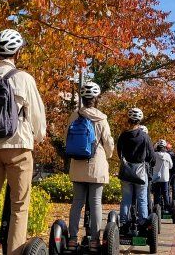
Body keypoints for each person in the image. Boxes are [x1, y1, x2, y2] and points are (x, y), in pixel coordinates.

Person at [0, 29, 47, 255]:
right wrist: (39, 137)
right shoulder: (24, 78)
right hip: (18, 146)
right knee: (19, 206)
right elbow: (37, 114)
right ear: (17, 52)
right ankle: (14, 252)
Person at [66, 82, 115, 250]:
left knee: (77, 202)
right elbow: (108, 142)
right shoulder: (102, 118)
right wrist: (107, 156)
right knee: (95, 203)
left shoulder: (75, 115)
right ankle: (94, 240)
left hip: (77, 164)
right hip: (96, 165)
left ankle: (72, 239)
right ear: (96, 99)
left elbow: (68, 137)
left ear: (82, 98)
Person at [117, 108, 156, 227]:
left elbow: (119, 152)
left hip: (127, 171)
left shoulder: (123, 135)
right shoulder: (144, 136)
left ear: (129, 120)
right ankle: (142, 222)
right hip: (140, 170)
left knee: (126, 199)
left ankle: (123, 222)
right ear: (140, 120)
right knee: (142, 198)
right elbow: (152, 156)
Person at [152, 139, 173, 209]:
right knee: (165, 193)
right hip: (165, 177)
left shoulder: (154, 155)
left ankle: (156, 206)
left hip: (155, 178)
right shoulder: (167, 155)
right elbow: (171, 166)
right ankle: (167, 206)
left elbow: (151, 164)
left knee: (156, 193)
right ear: (165, 147)